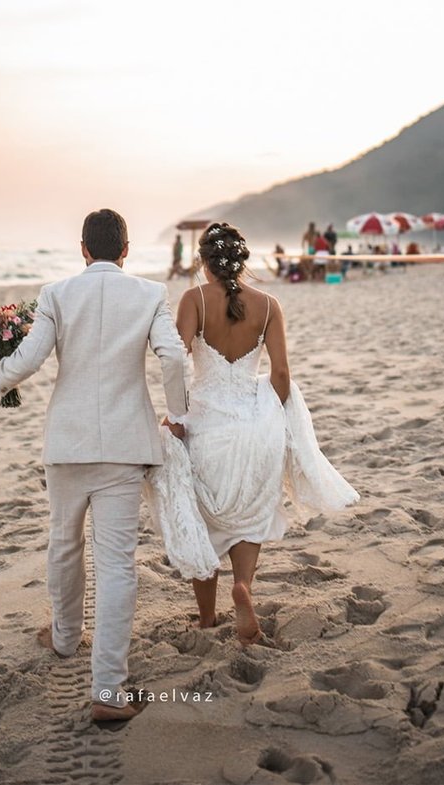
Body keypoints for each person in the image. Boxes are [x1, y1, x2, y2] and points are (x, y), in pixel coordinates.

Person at [0, 209, 188, 724]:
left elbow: (30, 360)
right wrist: (180, 415)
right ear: (126, 249)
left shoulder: (56, 293)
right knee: (118, 564)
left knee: (63, 542)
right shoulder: (149, 294)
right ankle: (108, 689)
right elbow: (173, 358)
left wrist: (0, 378)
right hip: (125, 445)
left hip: (68, 443)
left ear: (83, 249)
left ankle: (63, 638)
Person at [145, 222, 357, 647]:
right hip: (255, 428)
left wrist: (176, 416)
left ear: (204, 262)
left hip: (207, 426)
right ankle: (243, 585)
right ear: (241, 260)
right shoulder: (269, 304)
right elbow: (280, 375)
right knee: (249, 517)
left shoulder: (195, 299)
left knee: (201, 519)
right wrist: (266, 420)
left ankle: (207, 617)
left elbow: (173, 359)